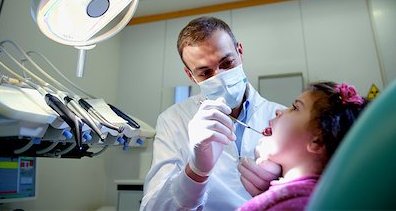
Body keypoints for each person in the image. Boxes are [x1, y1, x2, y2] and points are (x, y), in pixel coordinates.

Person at [140, 16, 285, 210]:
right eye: (205, 73)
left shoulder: (281, 116)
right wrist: (195, 171)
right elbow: (153, 208)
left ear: (239, 52)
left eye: (226, 64)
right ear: (190, 75)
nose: (220, 77)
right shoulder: (173, 120)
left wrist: (282, 188)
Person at [237, 81, 368, 211]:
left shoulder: (303, 203)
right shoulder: (298, 196)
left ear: (317, 141)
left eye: (295, 108)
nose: (278, 111)